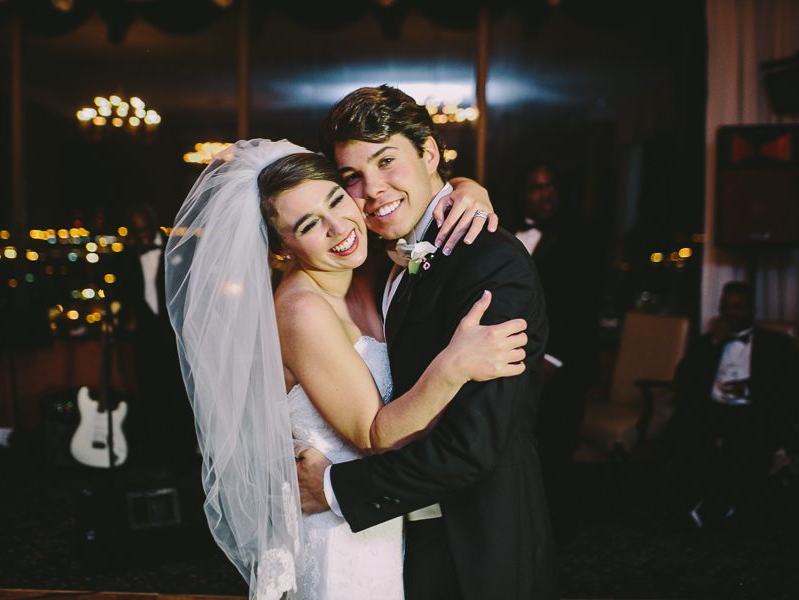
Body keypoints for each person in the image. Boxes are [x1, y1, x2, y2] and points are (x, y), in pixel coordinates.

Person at [165, 139, 522, 599]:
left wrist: (466, 188)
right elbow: (375, 435)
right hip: (340, 540)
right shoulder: (301, 311)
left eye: (335, 199)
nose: (338, 227)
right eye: (309, 224)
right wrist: (453, 366)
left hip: (383, 520)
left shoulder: (366, 269)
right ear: (282, 249)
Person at [297, 85, 557, 599]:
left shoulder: (490, 260)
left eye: (386, 161)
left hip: (475, 544)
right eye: (353, 176)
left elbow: (472, 447)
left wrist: (332, 488)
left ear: (430, 153)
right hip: (404, 538)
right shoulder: (381, 256)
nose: (373, 190)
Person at [512, 162, 602, 546]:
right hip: (516, 359)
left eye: (550, 186)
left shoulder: (580, 236)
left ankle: (558, 536)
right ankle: (525, 530)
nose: (545, 193)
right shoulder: (507, 235)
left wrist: (554, 358)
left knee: (557, 449)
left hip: (563, 365)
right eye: (536, 187)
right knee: (522, 449)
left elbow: (584, 304)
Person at [671, 281, 799, 528]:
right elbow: (684, 380)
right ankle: (716, 501)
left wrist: (749, 388)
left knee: (745, 443)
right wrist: (713, 344)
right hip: (712, 410)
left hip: (754, 410)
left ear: (752, 311)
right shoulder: (706, 342)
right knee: (686, 435)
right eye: (725, 307)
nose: (730, 313)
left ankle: (716, 505)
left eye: (738, 307)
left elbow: (789, 387)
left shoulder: (778, 344)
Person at [115, 203, 195, 470]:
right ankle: (158, 458)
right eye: (136, 232)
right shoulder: (125, 258)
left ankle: (185, 458)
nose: (142, 237)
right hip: (145, 338)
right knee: (150, 397)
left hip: (177, 337)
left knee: (179, 397)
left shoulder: (178, 249)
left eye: (145, 230)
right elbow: (123, 296)